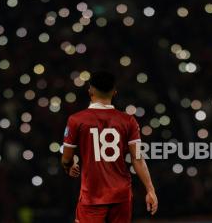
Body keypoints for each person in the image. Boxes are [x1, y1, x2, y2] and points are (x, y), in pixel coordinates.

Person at [61, 71, 158, 223]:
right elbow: (138, 158)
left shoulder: (76, 120)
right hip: (121, 195)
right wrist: (150, 190)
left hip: (92, 196)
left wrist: (69, 165)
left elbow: (66, 157)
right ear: (114, 92)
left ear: (90, 91)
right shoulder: (129, 121)